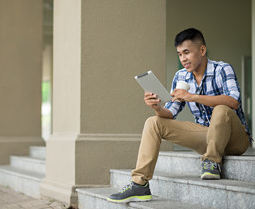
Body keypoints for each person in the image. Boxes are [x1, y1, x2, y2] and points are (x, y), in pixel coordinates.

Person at [107, 28, 251, 203]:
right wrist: (157, 107)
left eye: (187, 52)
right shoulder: (181, 76)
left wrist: (193, 97)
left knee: (221, 109)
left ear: (202, 50)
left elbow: (233, 101)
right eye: (179, 54)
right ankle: (140, 184)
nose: (183, 59)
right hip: (207, 136)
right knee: (153, 122)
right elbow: (170, 113)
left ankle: (212, 161)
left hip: (236, 140)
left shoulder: (222, 69)